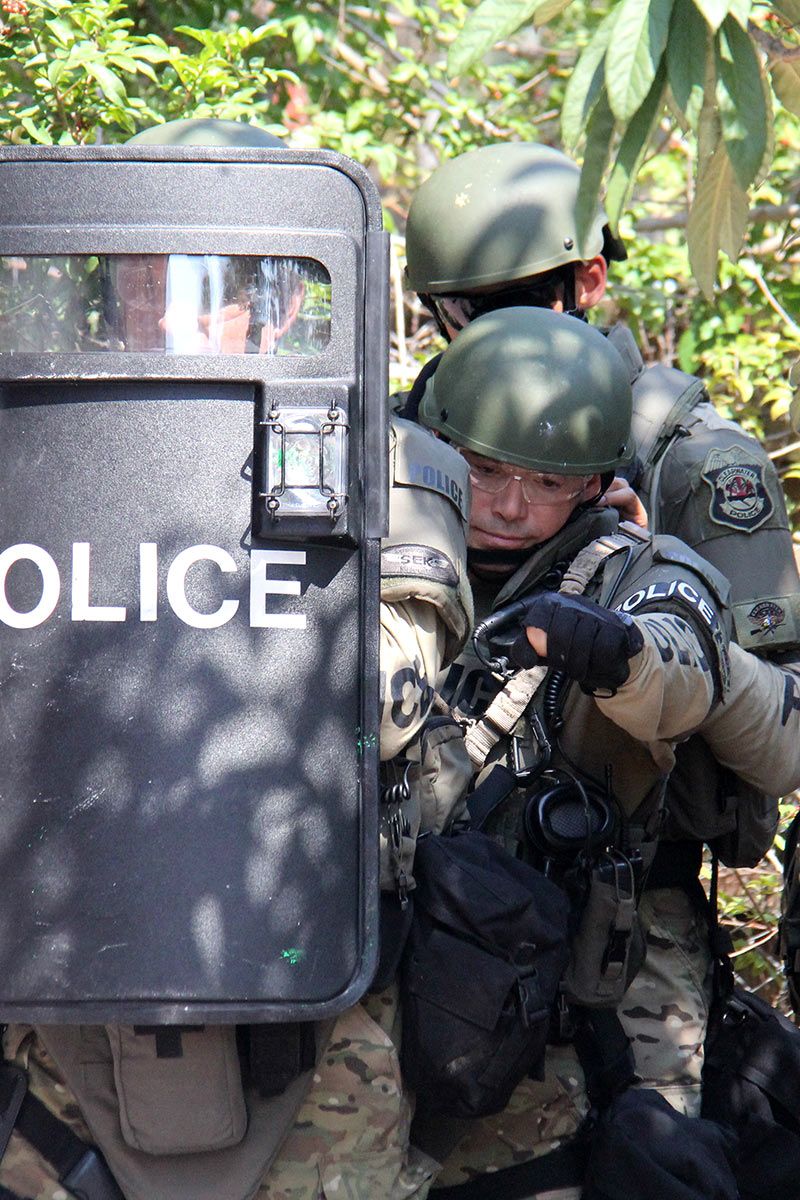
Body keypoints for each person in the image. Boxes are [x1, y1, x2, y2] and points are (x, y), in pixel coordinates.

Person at [0, 117, 470, 1200]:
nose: (167, 308)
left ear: (290, 298)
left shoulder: (391, 465)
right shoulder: (41, 445)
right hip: (66, 986)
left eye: (212, 280)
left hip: (311, 1010)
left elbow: (386, 709)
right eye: (143, 278)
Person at [400, 139, 800, 958]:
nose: (511, 501)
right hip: (418, 870)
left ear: (587, 281)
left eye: (519, 300)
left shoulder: (690, 458)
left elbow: (781, 729)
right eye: (465, 308)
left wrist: (634, 579)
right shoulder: (405, 438)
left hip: (618, 874)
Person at [402, 305, 747, 1198]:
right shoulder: (372, 544)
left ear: (595, 483)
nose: (512, 506)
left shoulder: (636, 569)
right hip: (372, 966)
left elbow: (689, 664)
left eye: (547, 483)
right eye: (483, 471)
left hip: (545, 984)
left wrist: (617, 653)